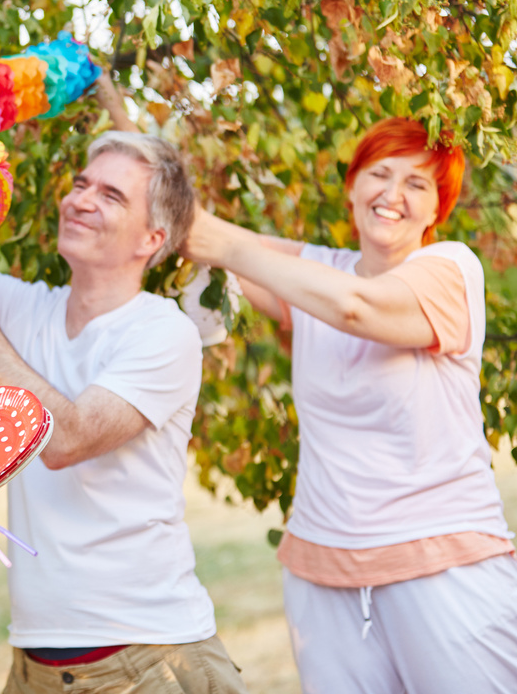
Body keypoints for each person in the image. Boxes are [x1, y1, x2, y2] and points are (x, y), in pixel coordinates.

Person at [0, 109, 248, 691]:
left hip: (148, 658)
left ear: (153, 240)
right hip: (37, 663)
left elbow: (66, 439)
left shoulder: (161, 332)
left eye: (112, 194)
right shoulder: (26, 307)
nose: (81, 200)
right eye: (80, 184)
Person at [181, 116, 517, 693]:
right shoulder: (317, 271)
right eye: (379, 173)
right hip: (321, 576)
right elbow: (214, 244)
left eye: (417, 183)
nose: (393, 194)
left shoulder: (450, 269)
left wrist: (225, 241)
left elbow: (356, 308)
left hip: (443, 568)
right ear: (352, 185)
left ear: (440, 206)